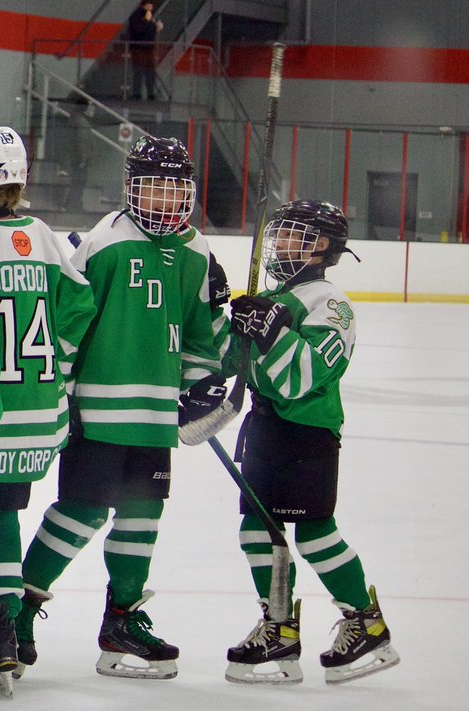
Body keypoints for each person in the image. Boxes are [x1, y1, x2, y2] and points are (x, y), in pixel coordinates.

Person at [16, 135, 223, 681]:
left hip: (155, 420)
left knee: (142, 515)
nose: (164, 201)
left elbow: (199, 340)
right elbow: (68, 324)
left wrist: (203, 385)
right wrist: (57, 394)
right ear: (132, 190)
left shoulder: (197, 252)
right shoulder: (103, 244)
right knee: (81, 510)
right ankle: (19, 606)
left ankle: (122, 619)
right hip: (98, 413)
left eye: (174, 189)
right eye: (153, 189)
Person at [0, 126, 96, 697]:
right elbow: (78, 308)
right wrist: (58, 363)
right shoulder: (42, 236)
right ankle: (2, 633)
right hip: (28, 416)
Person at [223, 200, 400, 686]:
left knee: (315, 531)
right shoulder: (280, 295)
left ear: (321, 246)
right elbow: (238, 365)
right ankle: (278, 625)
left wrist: (271, 331)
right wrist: (224, 321)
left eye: (293, 235)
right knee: (258, 531)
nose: (278, 243)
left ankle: (367, 623)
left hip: (306, 432)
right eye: (278, 234)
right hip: (265, 430)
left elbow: (299, 377)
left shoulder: (329, 303)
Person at [127, 2, 163, 101]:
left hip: (148, 47)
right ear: (145, 5)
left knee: (150, 71)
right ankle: (137, 93)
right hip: (138, 47)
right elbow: (139, 30)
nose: (151, 7)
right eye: (149, 5)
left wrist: (155, 27)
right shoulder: (136, 16)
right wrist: (150, 23)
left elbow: (149, 32)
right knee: (139, 70)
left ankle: (150, 93)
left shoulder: (149, 16)